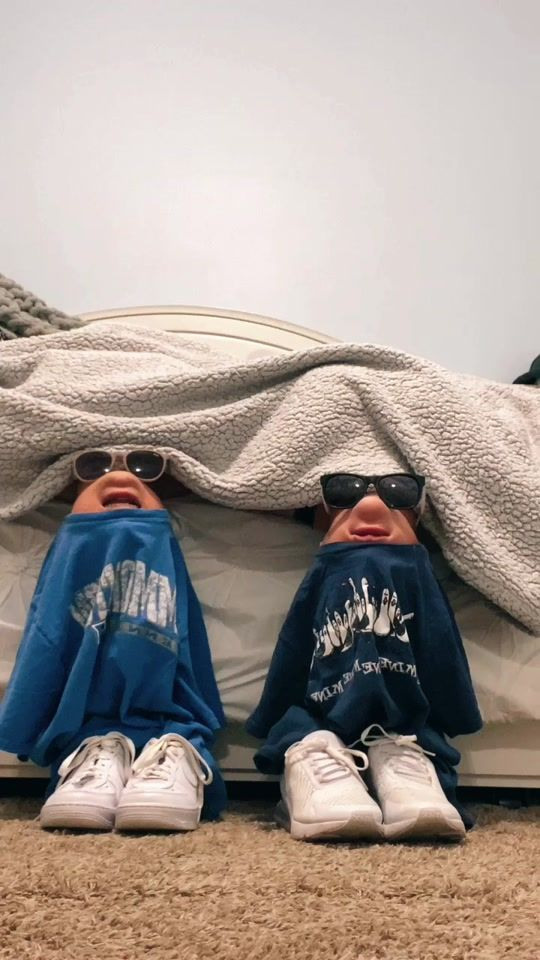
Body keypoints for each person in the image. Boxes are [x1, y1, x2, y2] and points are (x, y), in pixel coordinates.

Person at [246, 472, 483, 842]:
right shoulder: (328, 567)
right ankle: (316, 748)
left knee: (391, 562)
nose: (370, 508)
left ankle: (399, 752)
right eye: (343, 493)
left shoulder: (413, 570)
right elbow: (295, 647)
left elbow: (439, 647)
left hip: (406, 715)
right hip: (321, 699)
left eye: (400, 493)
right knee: (351, 562)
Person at [0, 449, 226, 832]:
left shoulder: (161, 545)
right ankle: (95, 748)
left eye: (143, 467)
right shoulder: (71, 550)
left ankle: (171, 746)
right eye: (94, 467)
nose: (120, 475)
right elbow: (47, 638)